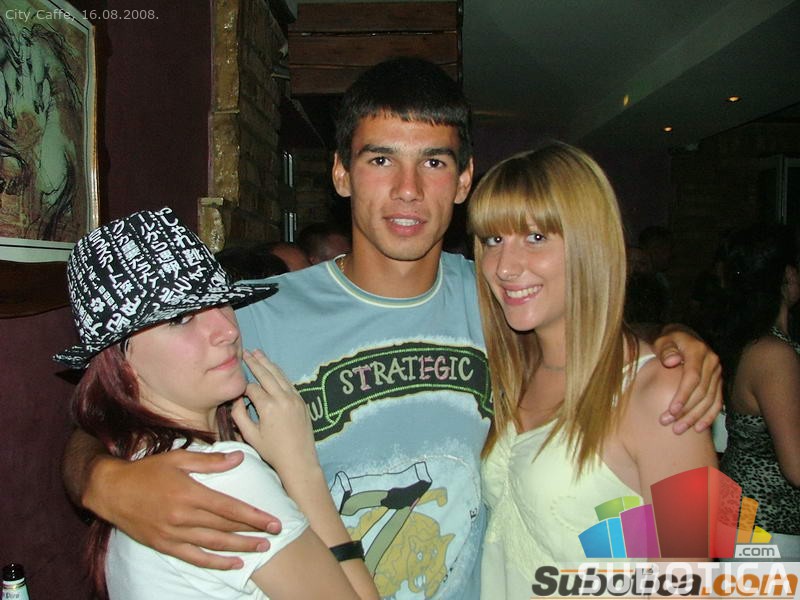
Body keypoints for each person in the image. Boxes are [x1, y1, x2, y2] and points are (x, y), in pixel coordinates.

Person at [62, 58, 722, 599]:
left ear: (463, 180)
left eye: (433, 162)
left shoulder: (502, 299)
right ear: (341, 173)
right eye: (381, 160)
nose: (408, 189)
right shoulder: (245, 318)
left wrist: (680, 344)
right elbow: (117, 400)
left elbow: (599, 343)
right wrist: (103, 481)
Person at [54, 207, 378, 599]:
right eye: (181, 318)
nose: (227, 329)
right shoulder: (222, 476)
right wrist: (301, 468)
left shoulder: (135, 454)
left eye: (222, 302)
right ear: (122, 364)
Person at [469, 144, 717, 598]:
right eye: (492, 240)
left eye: (535, 237)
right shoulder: (513, 369)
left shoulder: (660, 391)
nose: (504, 266)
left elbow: (689, 580)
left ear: (590, 245)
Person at [719, 223, 800, 559]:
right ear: (788, 275)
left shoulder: (751, 341)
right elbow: (796, 466)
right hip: (766, 526)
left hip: (749, 525)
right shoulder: (773, 353)